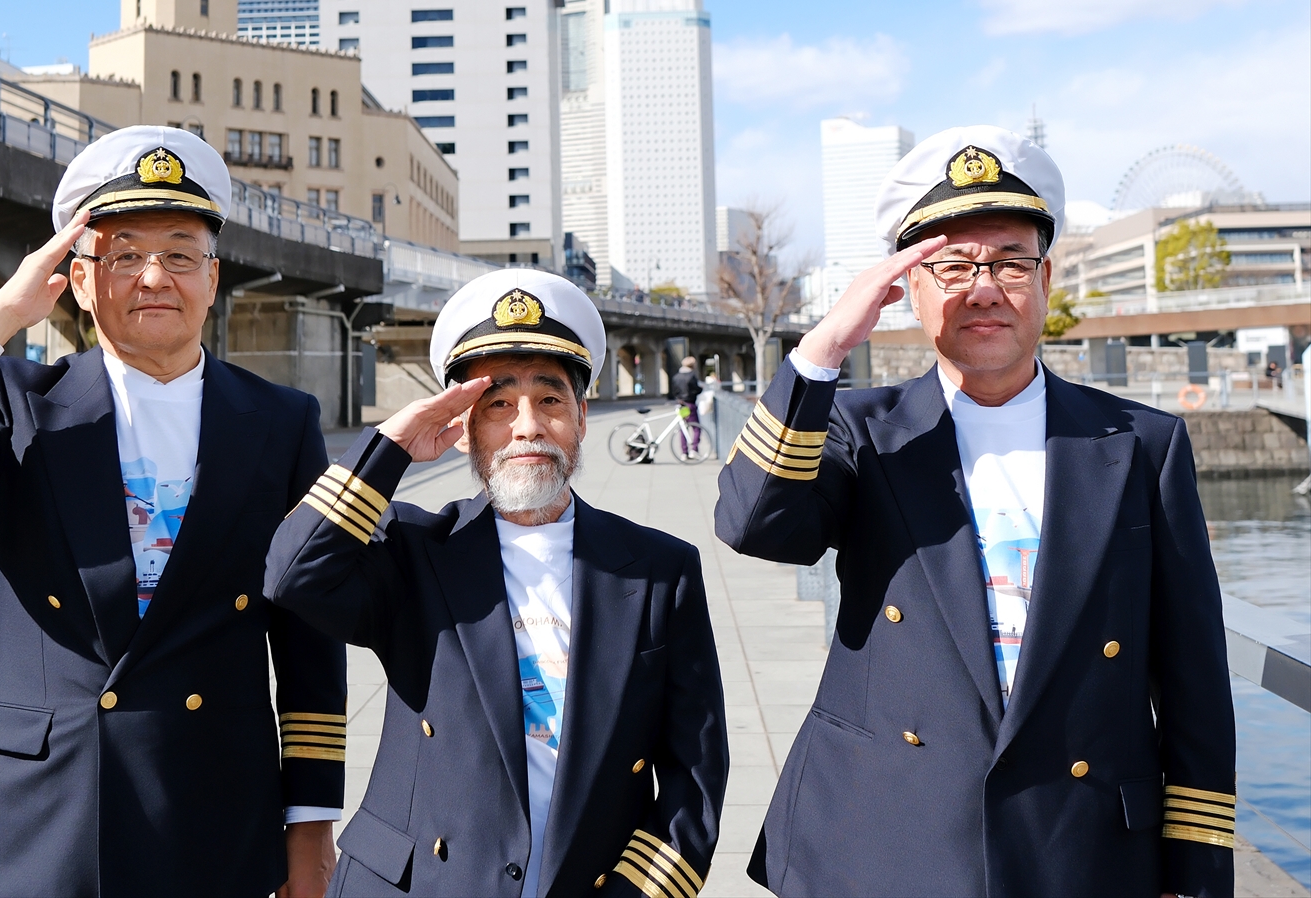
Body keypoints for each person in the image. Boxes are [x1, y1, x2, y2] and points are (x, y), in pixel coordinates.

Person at [715, 127, 1235, 897]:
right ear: (910, 289)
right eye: (952, 265)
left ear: (1046, 278)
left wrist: (1194, 873)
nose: (984, 287)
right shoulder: (866, 432)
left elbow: (1194, 678)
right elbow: (753, 524)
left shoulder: (1141, 444)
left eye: (1010, 262)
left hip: (1080, 842)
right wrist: (820, 351)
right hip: (884, 834)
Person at [0, 127, 347, 898]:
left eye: (180, 253)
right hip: (39, 815)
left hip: (208, 805)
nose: (153, 277)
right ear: (76, 280)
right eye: (122, 254)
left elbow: (308, 629)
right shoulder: (16, 403)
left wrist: (309, 825)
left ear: (213, 278)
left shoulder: (281, 421)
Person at [266, 269, 729, 897]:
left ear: (583, 416)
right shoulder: (415, 550)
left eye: (551, 399)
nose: (527, 426)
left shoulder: (658, 570)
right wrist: (390, 447)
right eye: (499, 405)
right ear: (465, 430)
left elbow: (693, 777)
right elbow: (292, 576)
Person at [670, 356, 705, 455]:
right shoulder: (691, 376)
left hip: (680, 404)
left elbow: (674, 391)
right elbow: (696, 390)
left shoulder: (676, 376)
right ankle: (694, 450)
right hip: (690, 404)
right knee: (696, 428)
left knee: (683, 428)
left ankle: (684, 452)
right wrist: (701, 389)